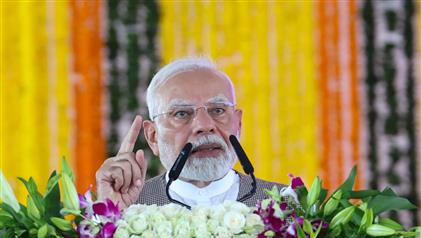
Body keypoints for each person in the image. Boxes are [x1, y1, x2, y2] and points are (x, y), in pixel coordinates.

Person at [96, 57, 290, 209]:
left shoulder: (287, 207)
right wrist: (109, 219)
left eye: (218, 110)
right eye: (182, 113)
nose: (205, 125)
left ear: (238, 124)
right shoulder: (128, 206)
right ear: (153, 137)